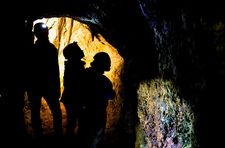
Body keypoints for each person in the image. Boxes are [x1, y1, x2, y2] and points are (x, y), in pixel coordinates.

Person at [27, 22, 63, 141]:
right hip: (48, 85)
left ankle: (39, 136)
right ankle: (58, 135)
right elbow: (54, 70)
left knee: (35, 112)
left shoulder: (32, 49)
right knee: (56, 112)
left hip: (36, 86)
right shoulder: (50, 49)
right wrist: (57, 88)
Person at [77, 52, 116, 148]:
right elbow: (110, 95)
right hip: (97, 111)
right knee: (96, 136)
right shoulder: (104, 80)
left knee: (83, 133)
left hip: (84, 110)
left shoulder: (84, 74)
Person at [60, 41, 86, 143]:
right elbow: (75, 84)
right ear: (74, 54)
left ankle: (71, 140)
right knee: (77, 121)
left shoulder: (72, 65)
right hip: (74, 98)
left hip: (70, 97)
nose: (82, 51)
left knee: (73, 121)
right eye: (79, 50)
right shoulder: (75, 66)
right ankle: (74, 141)